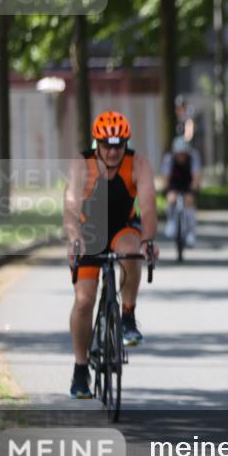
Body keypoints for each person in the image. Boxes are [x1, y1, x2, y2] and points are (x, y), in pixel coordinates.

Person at [63, 111, 159, 398]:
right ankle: (81, 370)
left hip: (122, 229)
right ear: (97, 143)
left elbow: (149, 205)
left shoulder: (138, 164)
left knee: (131, 251)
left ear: (126, 143)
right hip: (89, 233)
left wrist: (149, 240)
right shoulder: (82, 164)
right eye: (107, 145)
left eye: (119, 145)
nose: (113, 151)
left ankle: (127, 315)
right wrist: (74, 238)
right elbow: (70, 207)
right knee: (84, 301)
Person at [160, 135, 202, 246]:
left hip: (188, 183)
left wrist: (194, 188)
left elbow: (196, 176)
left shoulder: (193, 157)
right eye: (179, 154)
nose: (181, 156)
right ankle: (171, 222)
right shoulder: (169, 159)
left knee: (189, 201)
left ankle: (191, 232)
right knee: (171, 198)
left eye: (183, 153)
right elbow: (165, 177)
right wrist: (166, 188)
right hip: (174, 183)